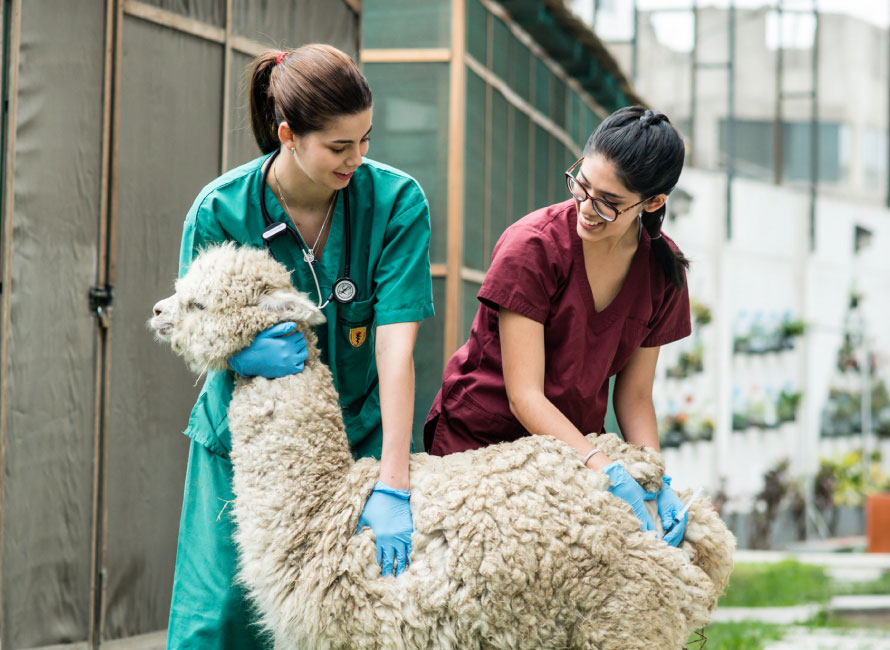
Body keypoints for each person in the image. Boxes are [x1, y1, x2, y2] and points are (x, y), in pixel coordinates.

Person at [167, 44, 434, 649]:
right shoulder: (220, 211)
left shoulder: (395, 204)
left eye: (366, 139)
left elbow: (395, 348)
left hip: (358, 439)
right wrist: (237, 357)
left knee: (352, 617)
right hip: (245, 443)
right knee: (218, 619)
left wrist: (393, 480)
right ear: (288, 135)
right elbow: (191, 322)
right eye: (339, 147)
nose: (357, 159)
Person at [424, 106, 691, 547]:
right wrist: (601, 465)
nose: (586, 207)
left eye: (608, 202)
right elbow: (524, 393)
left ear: (653, 202)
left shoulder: (663, 272)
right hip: (481, 447)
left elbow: (635, 395)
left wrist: (654, 478)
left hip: (570, 454)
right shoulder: (532, 247)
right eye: (582, 185)